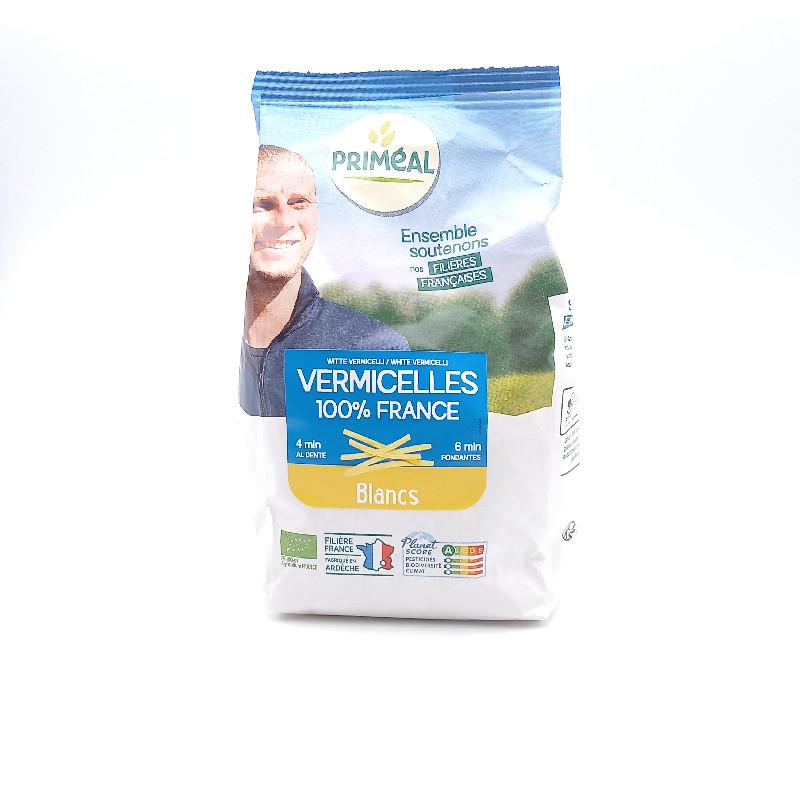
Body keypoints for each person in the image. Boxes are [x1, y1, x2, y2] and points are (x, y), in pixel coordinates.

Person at [240, 145, 409, 416]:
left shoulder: (373, 350)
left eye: (299, 203)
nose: (283, 221)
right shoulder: (183, 337)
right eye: (261, 204)